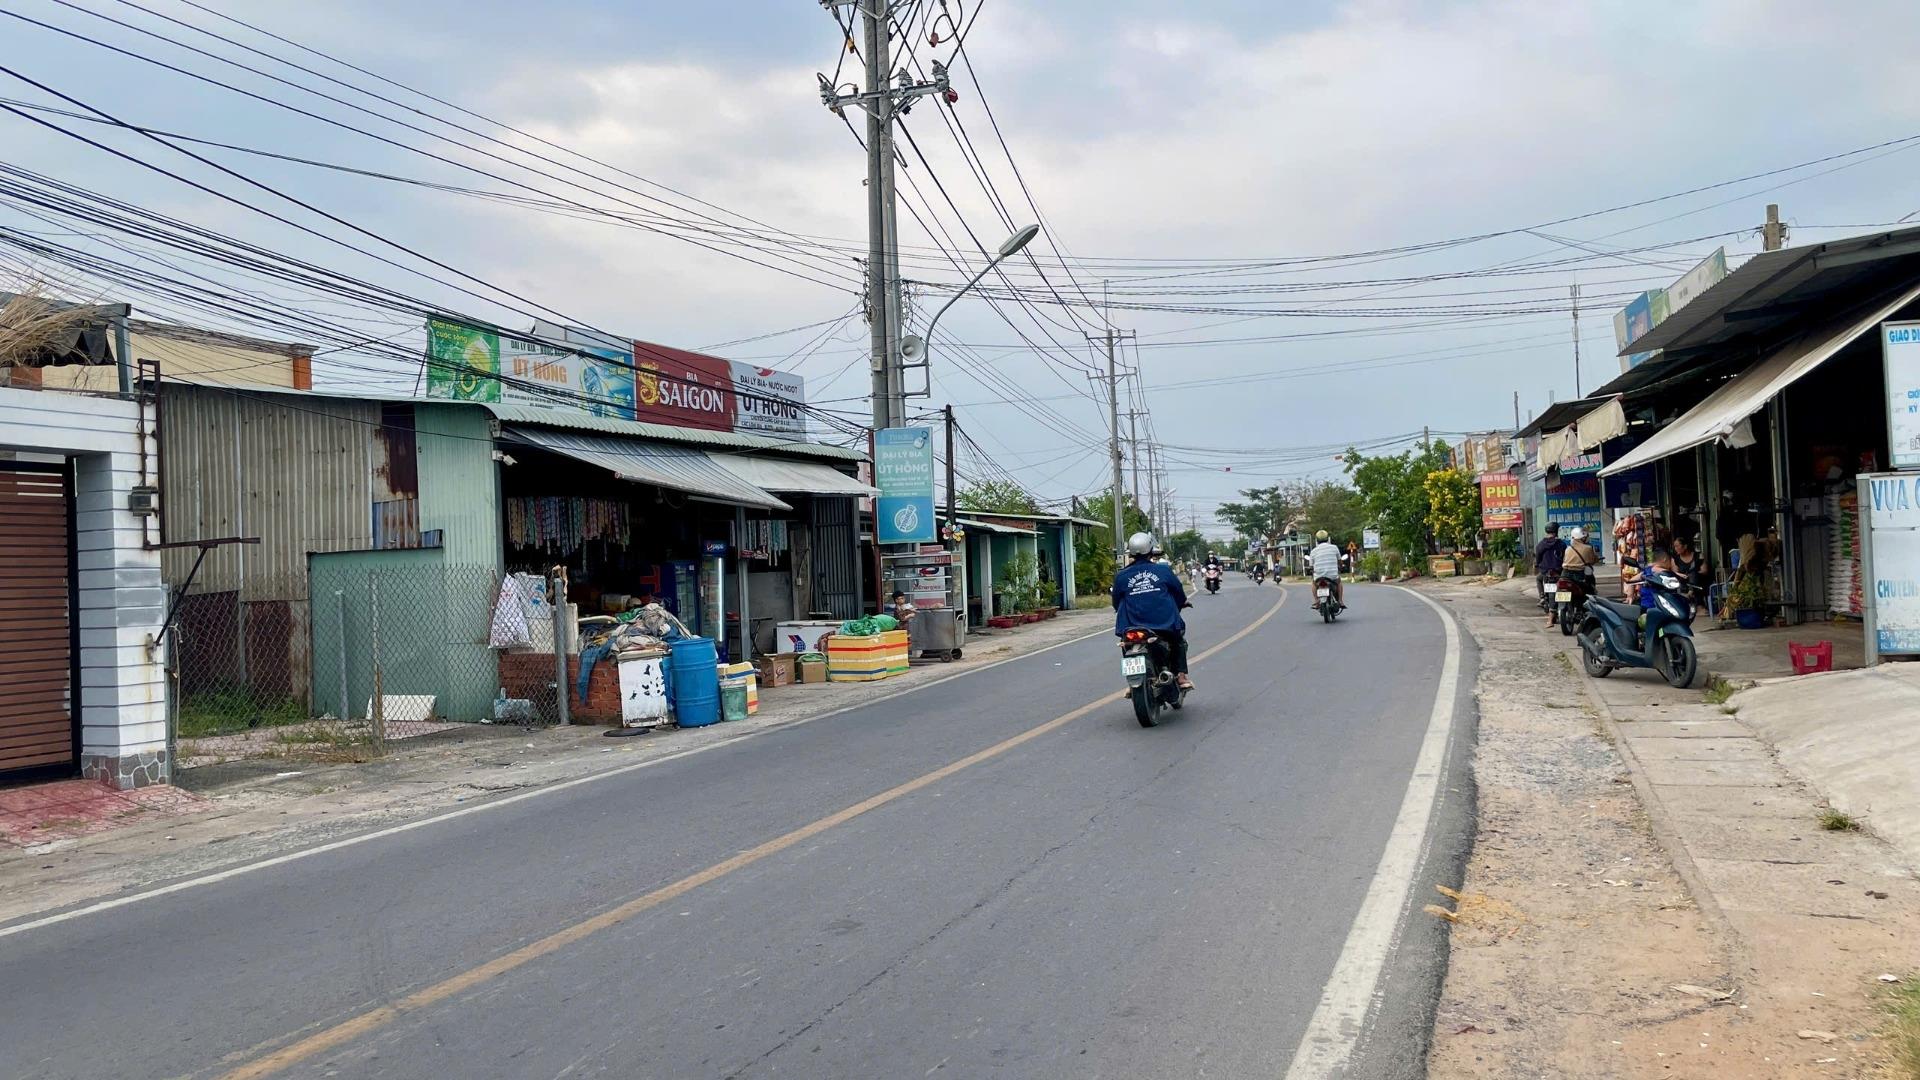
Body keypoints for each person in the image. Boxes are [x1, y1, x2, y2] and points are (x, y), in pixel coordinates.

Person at [1112, 532, 1193, 690]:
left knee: (1126, 644)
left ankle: (1132, 683)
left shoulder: (1121, 576)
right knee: (1177, 639)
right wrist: (1181, 603)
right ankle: (1181, 676)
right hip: (1163, 623)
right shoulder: (1163, 570)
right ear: (1150, 550)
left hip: (1131, 625)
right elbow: (1178, 592)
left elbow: (1116, 601)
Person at [1533, 522, 1564, 622]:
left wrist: (1538, 565)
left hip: (1546, 572)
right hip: (1559, 571)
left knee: (1538, 579)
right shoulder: (1561, 544)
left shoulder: (1541, 544)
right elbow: (1565, 556)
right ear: (1556, 531)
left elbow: (1538, 558)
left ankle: (1542, 597)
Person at [1308, 529, 1344, 609]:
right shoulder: (1334, 548)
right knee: (1339, 582)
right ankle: (1340, 601)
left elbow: (1311, 566)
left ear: (1317, 540)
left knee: (1313, 583)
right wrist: (1341, 567)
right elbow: (1340, 561)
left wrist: (1312, 570)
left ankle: (1316, 601)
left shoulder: (1313, 551)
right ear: (1328, 539)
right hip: (1332, 576)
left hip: (1319, 577)